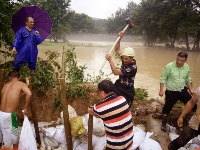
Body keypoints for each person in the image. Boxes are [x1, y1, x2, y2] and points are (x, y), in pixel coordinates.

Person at [88, 79, 133, 150]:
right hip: (129, 143)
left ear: (102, 92)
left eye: (98, 92)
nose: (98, 94)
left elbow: (92, 111)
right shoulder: (122, 99)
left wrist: (91, 110)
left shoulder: (99, 107)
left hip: (116, 147)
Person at [159, 51, 197, 132]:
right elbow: (163, 78)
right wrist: (161, 90)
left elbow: (188, 79)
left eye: (181, 60)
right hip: (171, 91)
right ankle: (163, 123)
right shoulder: (169, 66)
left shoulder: (187, 67)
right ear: (176, 57)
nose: (179, 62)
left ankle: (193, 122)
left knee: (193, 104)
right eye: (178, 59)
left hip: (182, 90)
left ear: (185, 60)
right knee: (167, 108)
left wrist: (191, 90)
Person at [0, 70, 32, 149]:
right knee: (14, 138)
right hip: (9, 115)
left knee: (2, 136)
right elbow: (29, 93)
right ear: (19, 78)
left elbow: (11, 98)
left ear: (9, 78)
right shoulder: (21, 84)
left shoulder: (5, 85)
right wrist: (26, 108)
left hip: (0, 114)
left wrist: (21, 94)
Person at [105, 31, 137, 108]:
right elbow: (117, 49)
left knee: (124, 108)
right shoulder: (126, 58)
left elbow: (116, 72)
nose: (124, 60)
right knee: (112, 103)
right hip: (119, 86)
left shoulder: (131, 68)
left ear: (131, 58)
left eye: (126, 59)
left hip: (127, 91)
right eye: (123, 58)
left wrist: (110, 60)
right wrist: (120, 38)